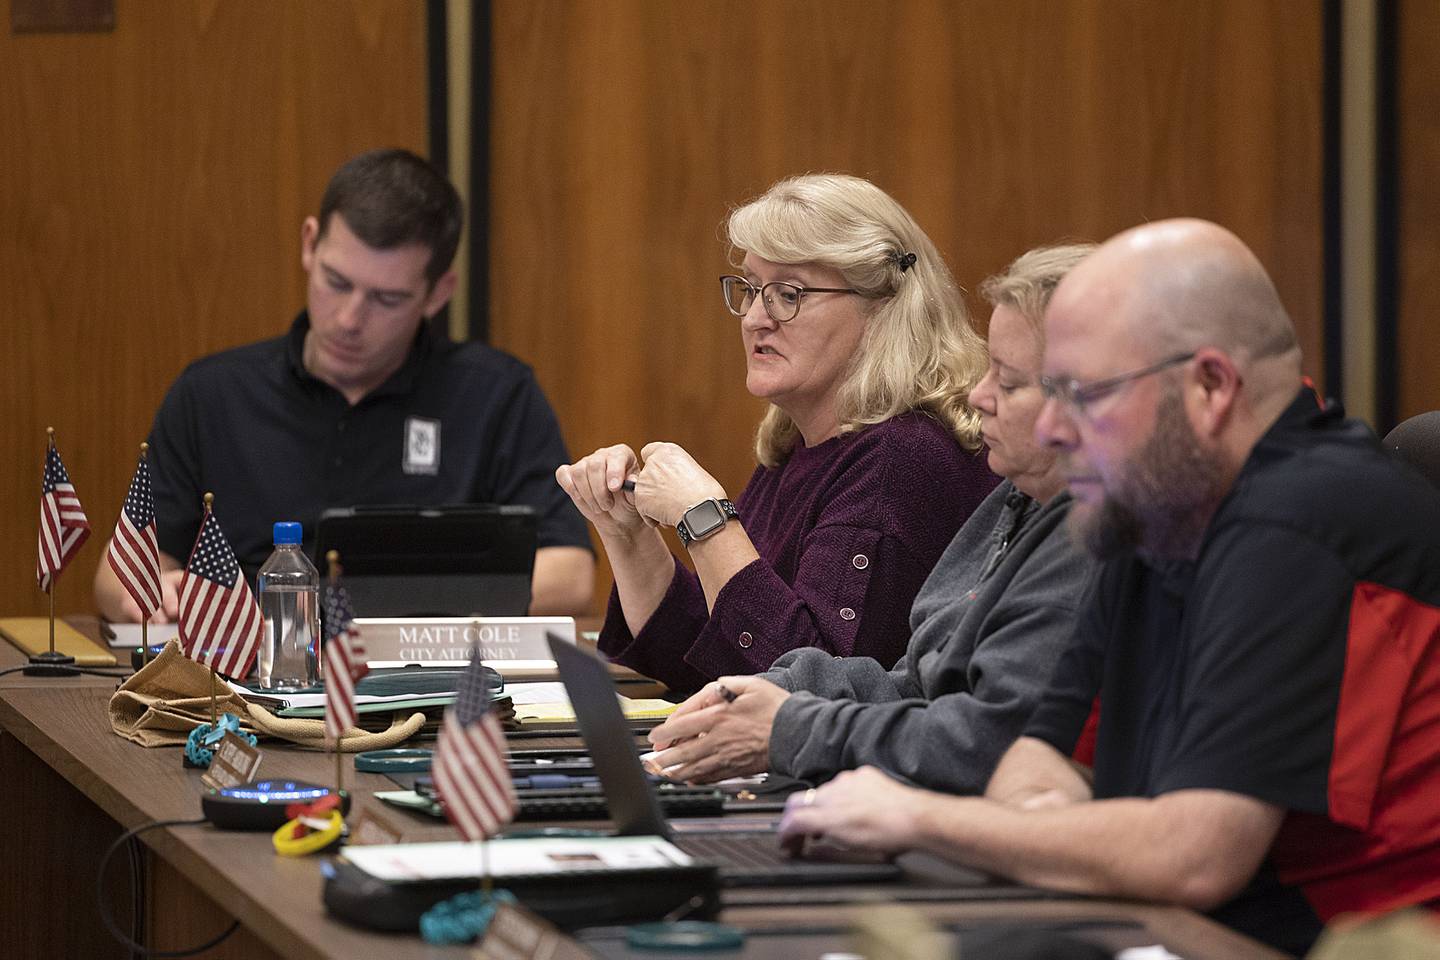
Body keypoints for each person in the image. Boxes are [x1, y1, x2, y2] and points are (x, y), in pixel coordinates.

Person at [776, 219, 1440, 955]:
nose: (1057, 429)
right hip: (1184, 924)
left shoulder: (1300, 523)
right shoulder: (1156, 506)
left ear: (1211, 386)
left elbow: (1193, 856)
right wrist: (1041, 829)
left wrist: (917, 817)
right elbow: (1037, 770)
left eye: (1084, 394)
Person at [642, 244, 1097, 793]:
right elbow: (914, 682)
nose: (980, 396)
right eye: (751, 290)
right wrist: (761, 694)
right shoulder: (1023, 495)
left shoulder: (1090, 528)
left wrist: (788, 722)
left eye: (789, 294)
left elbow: (986, 741)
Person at [94, 148, 594, 622]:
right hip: (236, 673)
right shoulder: (212, 394)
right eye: (336, 282)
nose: (350, 319)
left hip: (428, 676)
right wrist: (156, 591)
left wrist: (375, 604)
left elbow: (571, 574)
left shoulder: (495, 395)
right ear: (310, 244)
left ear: (438, 292)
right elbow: (116, 579)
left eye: (387, 299)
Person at [556, 174, 998, 692]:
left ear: (881, 308)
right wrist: (627, 532)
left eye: (788, 293)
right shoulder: (797, 446)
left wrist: (705, 518)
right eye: (748, 289)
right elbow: (710, 658)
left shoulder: (900, 458)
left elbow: (809, 686)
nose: (754, 319)